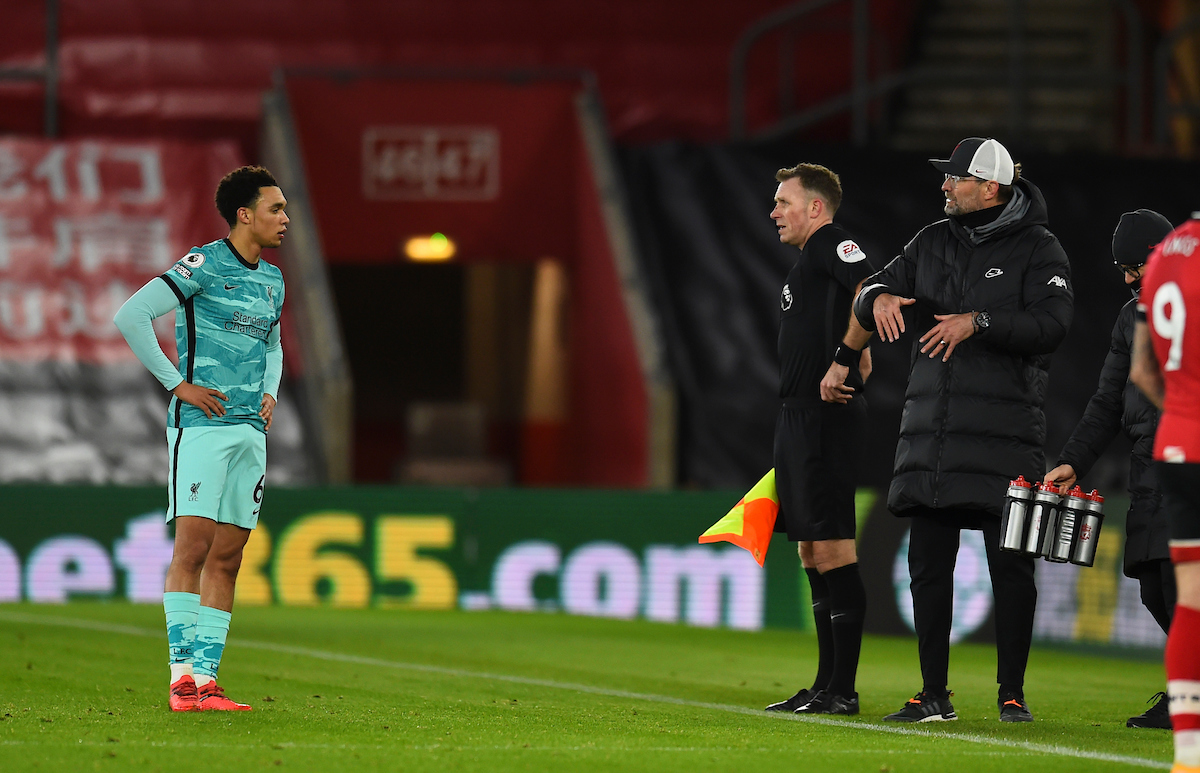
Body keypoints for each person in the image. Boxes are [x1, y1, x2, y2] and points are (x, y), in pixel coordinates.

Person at [851, 138, 1073, 722]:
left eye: (956, 178)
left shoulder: (1039, 247)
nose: (945, 186)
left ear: (991, 188)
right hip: (935, 437)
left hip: (1006, 436)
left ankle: (1012, 692)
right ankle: (933, 693)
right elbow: (873, 285)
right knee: (927, 564)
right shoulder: (931, 240)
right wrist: (874, 300)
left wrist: (979, 321)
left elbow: (1052, 325)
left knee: (1011, 568)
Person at [113, 165, 288, 712]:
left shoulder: (274, 280)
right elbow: (132, 315)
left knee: (229, 558)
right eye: (275, 208)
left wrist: (271, 392)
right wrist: (178, 385)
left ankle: (208, 682)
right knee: (191, 549)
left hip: (249, 432)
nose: (285, 219)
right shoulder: (203, 265)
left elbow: (273, 345)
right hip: (203, 427)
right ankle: (180, 679)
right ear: (245, 214)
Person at [1044, 209, 1175, 729]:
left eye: (1132, 267)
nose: (1126, 278)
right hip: (1149, 466)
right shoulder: (1131, 316)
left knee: (1176, 581)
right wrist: (1074, 459)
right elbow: (1107, 402)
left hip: (1187, 461)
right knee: (1152, 586)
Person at [761, 163, 875, 717]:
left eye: (784, 202)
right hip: (798, 418)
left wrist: (845, 357)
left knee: (832, 548)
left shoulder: (834, 243)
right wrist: (858, 343)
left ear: (816, 208)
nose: (774, 211)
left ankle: (843, 691)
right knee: (811, 550)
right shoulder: (808, 262)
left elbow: (874, 288)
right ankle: (825, 683)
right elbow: (861, 309)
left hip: (827, 415)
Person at [1130, 213, 1200, 772]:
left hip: (1177, 443)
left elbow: (1142, 371)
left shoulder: (1162, 257)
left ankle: (1188, 754)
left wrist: (1181, 413)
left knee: (1191, 602)